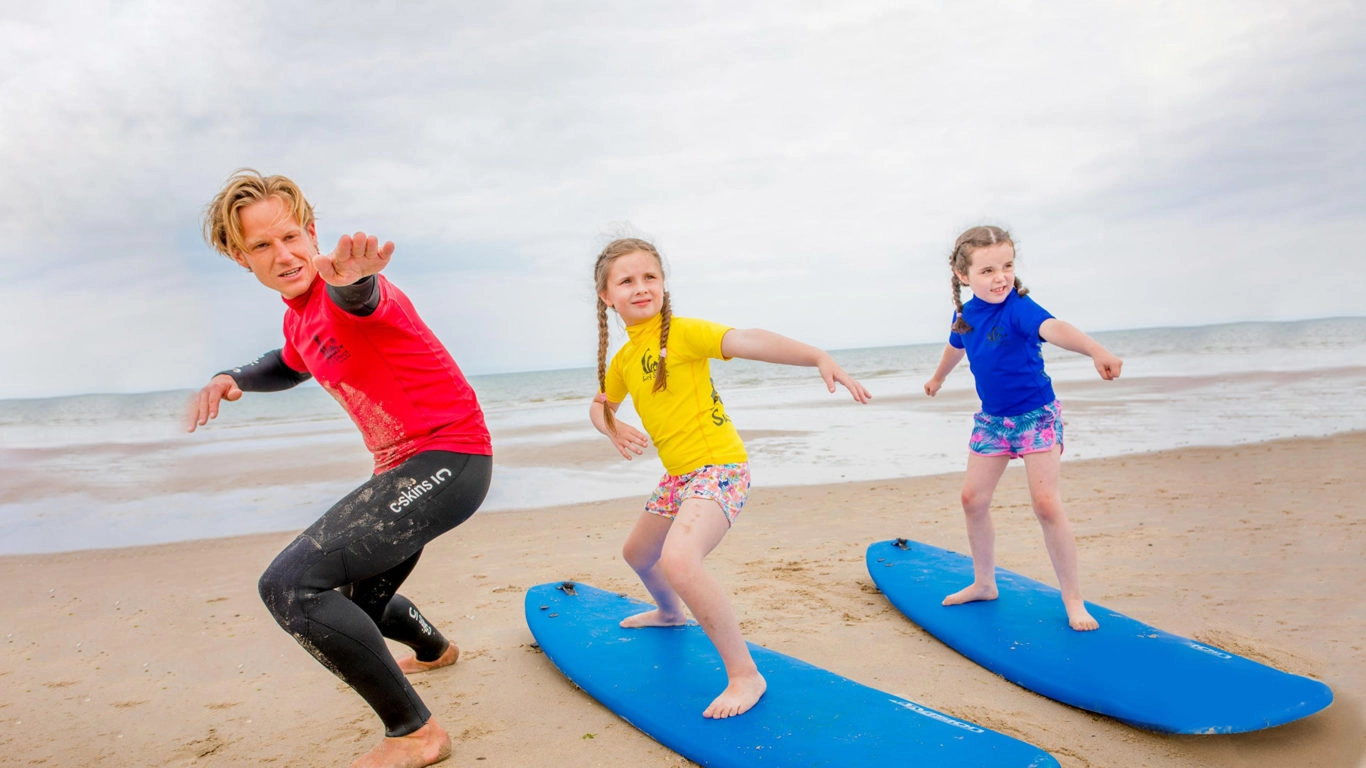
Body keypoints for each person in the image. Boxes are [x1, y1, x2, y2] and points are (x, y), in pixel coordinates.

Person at [186, 170, 492, 768]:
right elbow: (289, 362)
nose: (285, 255)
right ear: (239, 256)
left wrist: (357, 281)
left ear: (313, 232)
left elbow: (363, 300)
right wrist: (232, 376)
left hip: (447, 459)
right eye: (262, 246)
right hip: (402, 470)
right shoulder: (298, 315)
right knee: (353, 602)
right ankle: (434, 649)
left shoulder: (343, 290)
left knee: (291, 587)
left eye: (292, 236)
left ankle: (415, 731)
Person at [589, 237, 871, 719]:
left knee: (680, 559)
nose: (641, 287)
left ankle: (745, 675)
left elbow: (748, 339)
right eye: (627, 280)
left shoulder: (682, 333)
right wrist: (612, 426)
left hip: (719, 468)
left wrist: (817, 356)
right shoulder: (623, 360)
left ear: (663, 283)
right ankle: (670, 613)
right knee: (638, 553)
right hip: (679, 476)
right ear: (606, 296)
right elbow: (600, 405)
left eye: (650, 277)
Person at [923, 225, 1122, 632]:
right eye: (988, 270)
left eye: (1007, 266)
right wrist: (939, 377)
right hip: (993, 421)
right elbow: (955, 344)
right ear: (963, 276)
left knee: (1046, 504)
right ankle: (983, 582)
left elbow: (1056, 328)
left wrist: (1095, 349)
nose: (1000, 277)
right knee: (971, 500)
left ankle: (1073, 598)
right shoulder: (966, 314)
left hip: (1036, 417)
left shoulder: (1020, 308)